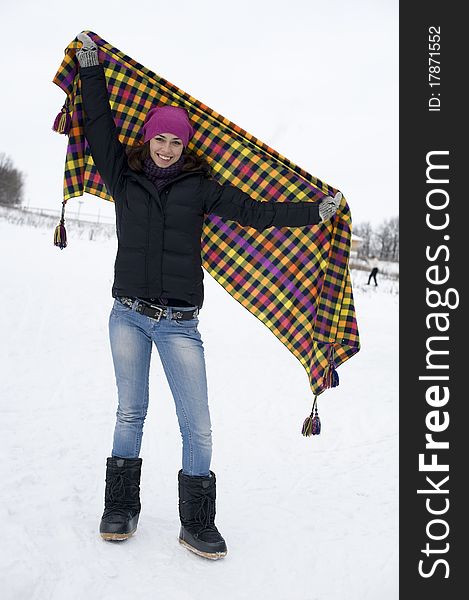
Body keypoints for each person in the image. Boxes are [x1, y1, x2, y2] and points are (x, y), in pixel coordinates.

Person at [76, 32, 342, 560]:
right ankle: (120, 506)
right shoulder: (122, 177)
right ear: (148, 139)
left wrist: (313, 212)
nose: (168, 148)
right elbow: (99, 125)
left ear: (186, 145)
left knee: (196, 422)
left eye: (176, 141)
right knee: (131, 412)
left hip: (179, 322)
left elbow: (257, 212)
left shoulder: (201, 187)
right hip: (126, 315)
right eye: (160, 139)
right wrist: (90, 71)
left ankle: (196, 522)